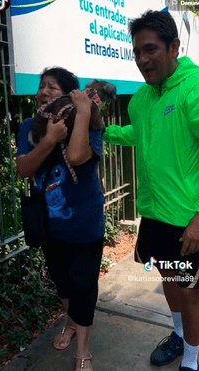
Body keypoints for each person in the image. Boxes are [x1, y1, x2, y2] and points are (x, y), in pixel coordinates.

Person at [103, 10, 199, 371]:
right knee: (170, 279)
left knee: (191, 293)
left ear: (173, 46)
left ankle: (192, 361)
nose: (142, 60)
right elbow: (137, 134)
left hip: (189, 219)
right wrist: (104, 131)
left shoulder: (194, 88)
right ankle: (179, 335)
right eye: (137, 52)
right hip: (155, 215)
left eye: (150, 49)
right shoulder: (141, 99)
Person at [16, 67, 105, 371]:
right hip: (48, 225)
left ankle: (82, 350)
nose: (44, 92)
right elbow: (23, 169)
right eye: (42, 86)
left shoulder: (90, 121)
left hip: (84, 225)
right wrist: (49, 139)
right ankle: (70, 323)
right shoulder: (31, 126)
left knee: (83, 287)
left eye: (52, 88)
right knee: (63, 285)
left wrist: (81, 111)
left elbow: (78, 156)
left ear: (69, 94)